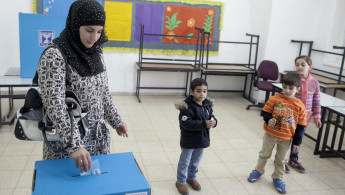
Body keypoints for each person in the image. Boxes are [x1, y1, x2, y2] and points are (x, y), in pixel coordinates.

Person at [37, 0, 128, 173]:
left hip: (96, 139)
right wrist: (74, 145)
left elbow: (103, 92)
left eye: (99, 31)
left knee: (94, 187)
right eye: (89, 30)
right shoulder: (54, 55)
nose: (94, 38)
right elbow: (55, 105)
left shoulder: (96, 52)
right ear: (75, 25)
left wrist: (116, 120)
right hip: (68, 145)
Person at [248, 72, 307, 194]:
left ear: (298, 89)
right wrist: (269, 119)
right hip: (270, 135)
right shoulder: (274, 99)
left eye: (291, 88)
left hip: (286, 139)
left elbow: (301, 126)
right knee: (264, 154)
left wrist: (297, 143)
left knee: (281, 160)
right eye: (284, 87)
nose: (287, 90)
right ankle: (258, 171)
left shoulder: (300, 106)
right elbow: (265, 112)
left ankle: (277, 178)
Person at [175, 78, 217, 195]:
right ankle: (181, 181)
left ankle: (191, 178)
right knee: (185, 162)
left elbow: (211, 116)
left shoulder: (207, 105)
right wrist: (204, 123)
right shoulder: (186, 107)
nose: (202, 94)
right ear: (192, 92)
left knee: (195, 161)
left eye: (204, 91)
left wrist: (214, 122)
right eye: (198, 91)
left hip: (201, 140)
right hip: (189, 141)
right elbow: (186, 123)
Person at [284, 55, 322, 173]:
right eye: (297, 65)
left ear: (310, 67)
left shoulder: (315, 83)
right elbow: (286, 97)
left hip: (304, 118)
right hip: (290, 117)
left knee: (298, 139)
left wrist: (317, 117)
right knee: (286, 138)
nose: (299, 67)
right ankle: (282, 159)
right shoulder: (293, 81)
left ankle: (293, 159)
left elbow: (316, 101)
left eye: (303, 65)